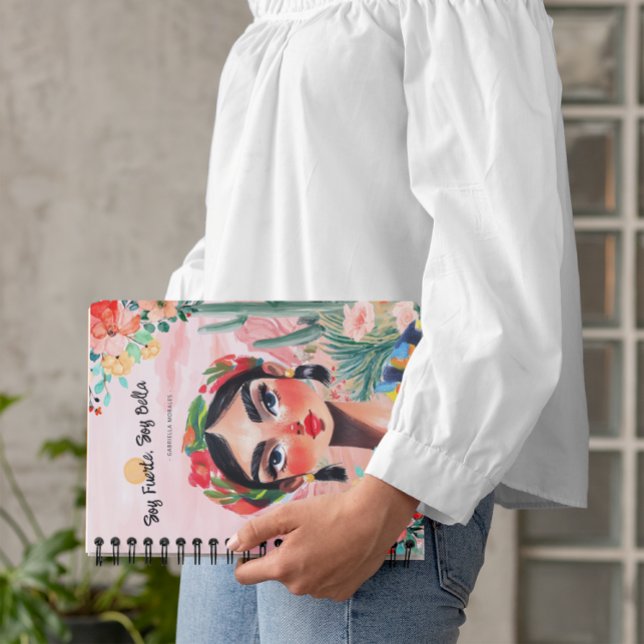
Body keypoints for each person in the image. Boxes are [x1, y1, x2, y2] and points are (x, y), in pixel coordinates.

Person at [165, 0, 590, 641]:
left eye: (263, 403)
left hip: (383, 489)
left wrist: (388, 499)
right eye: (270, 446)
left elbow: (499, 252)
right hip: (235, 513)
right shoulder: (275, 12)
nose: (283, 426)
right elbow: (243, 229)